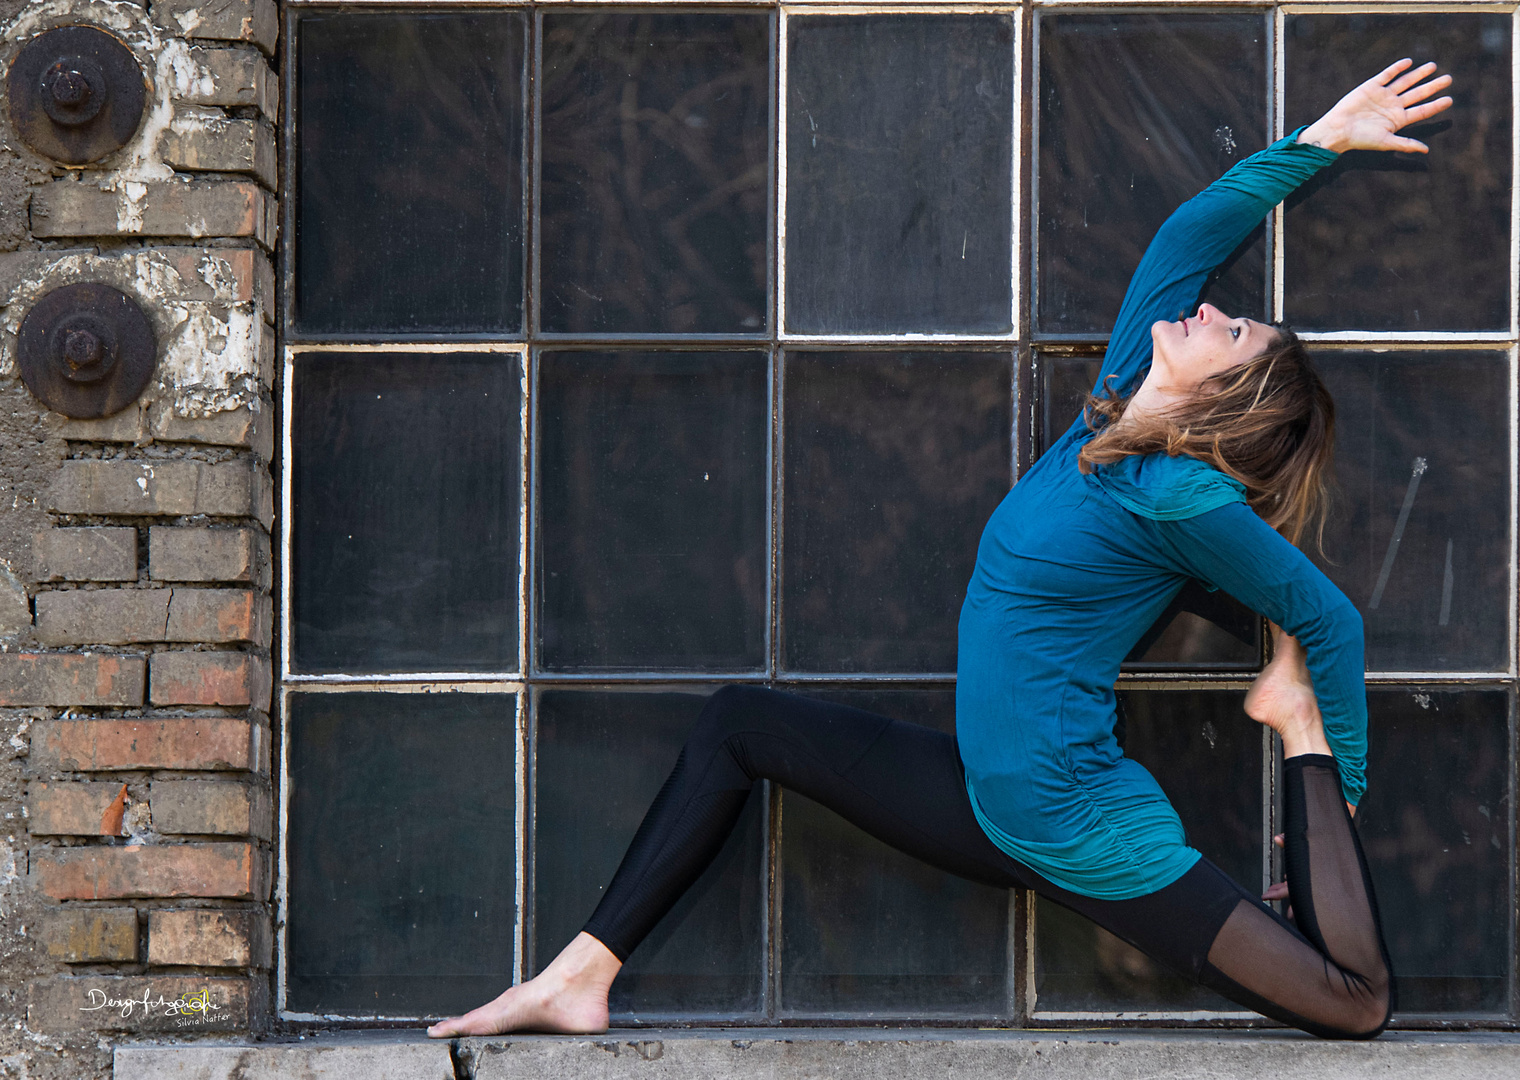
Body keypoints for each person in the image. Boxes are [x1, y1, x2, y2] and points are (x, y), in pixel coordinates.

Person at [428, 58, 1454, 1041]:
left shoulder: (1173, 491)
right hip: (985, 794)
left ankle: (1295, 726)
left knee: (1351, 1003)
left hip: (1075, 830)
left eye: (1235, 335)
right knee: (737, 724)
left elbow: (1328, 615)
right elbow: (1191, 232)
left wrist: (1334, 758)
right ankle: (580, 976)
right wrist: (1321, 138)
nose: (1214, 312)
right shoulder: (1112, 408)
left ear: (1222, 400)